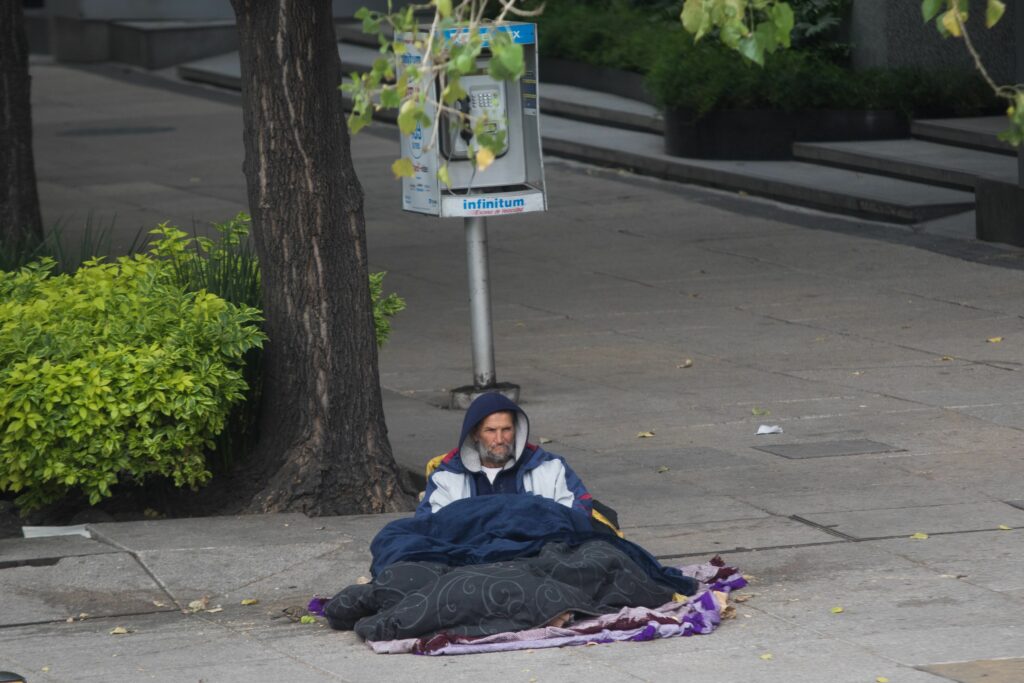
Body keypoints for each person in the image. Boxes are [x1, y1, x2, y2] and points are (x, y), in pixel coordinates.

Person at [416, 392, 592, 517]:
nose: (499, 439)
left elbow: (579, 511)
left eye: (506, 430)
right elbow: (430, 523)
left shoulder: (550, 467)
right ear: (475, 434)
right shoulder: (447, 476)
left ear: (516, 431)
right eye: (491, 431)